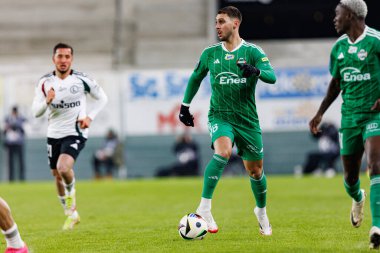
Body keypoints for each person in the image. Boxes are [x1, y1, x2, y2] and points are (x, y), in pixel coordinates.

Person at [179, 6, 276, 235]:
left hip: (247, 120)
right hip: (220, 116)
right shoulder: (210, 53)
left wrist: (255, 71)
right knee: (222, 152)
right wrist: (184, 106)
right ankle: (205, 207)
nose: (217, 26)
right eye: (215, 22)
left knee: (255, 172)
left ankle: (261, 212)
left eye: (221, 21)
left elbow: (272, 77)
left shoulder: (253, 51)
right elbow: (195, 77)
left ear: (235, 23)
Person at [309, 0, 380, 249]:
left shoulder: (376, 40)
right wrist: (319, 113)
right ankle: (358, 198)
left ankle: (377, 227)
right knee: (350, 177)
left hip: (374, 116)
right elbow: (336, 83)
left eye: (338, 14)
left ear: (351, 15)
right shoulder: (338, 47)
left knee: (375, 165)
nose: (334, 18)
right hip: (349, 118)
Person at [31, 43, 108, 230]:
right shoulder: (44, 83)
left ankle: (71, 197)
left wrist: (90, 116)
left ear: (71, 59)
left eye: (67, 57)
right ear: (53, 59)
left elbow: (102, 98)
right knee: (56, 175)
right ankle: (71, 213)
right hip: (53, 134)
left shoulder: (82, 80)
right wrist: (47, 102)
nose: (63, 60)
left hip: (76, 131)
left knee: (63, 167)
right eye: (60, 56)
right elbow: (36, 112)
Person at [3, 106, 26, 182]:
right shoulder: (8, 119)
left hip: (19, 143)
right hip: (10, 143)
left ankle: (21, 178)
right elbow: (5, 130)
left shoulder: (21, 119)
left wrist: (16, 126)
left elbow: (23, 129)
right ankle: (10, 179)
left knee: (20, 162)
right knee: (10, 163)